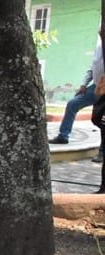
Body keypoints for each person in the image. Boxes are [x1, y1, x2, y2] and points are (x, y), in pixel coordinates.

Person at [49, 35, 103, 163]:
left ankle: (102, 152)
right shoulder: (99, 48)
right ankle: (63, 136)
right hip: (95, 86)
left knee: (101, 119)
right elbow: (92, 69)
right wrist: (84, 85)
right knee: (73, 103)